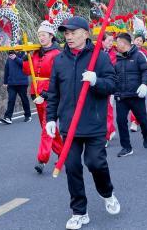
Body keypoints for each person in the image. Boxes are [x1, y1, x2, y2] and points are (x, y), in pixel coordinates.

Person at [46, 16, 120, 229]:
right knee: (72, 167)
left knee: (95, 163)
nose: (68, 37)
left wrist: (96, 80)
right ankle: (79, 211)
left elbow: (112, 85)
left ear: (86, 34)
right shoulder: (60, 60)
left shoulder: (100, 58)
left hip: (94, 123)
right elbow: (53, 92)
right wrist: (51, 118)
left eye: (73, 32)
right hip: (69, 126)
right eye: (66, 33)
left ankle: (107, 193)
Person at [22, 21, 63, 174]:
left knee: (47, 126)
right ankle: (63, 152)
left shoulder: (57, 54)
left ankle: (42, 159)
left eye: (43, 35)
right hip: (36, 93)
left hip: (50, 94)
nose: (41, 37)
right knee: (48, 126)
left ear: (51, 36)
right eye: (39, 35)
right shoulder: (35, 52)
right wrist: (23, 57)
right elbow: (27, 71)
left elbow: (57, 78)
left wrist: (46, 94)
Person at [113, 33, 147, 157]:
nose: (116, 45)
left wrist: (144, 84)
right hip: (121, 96)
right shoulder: (116, 58)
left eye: (118, 42)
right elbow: (112, 75)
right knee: (120, 121)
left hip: (136, 95)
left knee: (143, 120)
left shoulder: (139, 55)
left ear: (124, 43)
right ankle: (126, 147)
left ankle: (146, 135)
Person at [0, 50, 31, 124]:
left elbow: (24, 64)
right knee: (11, 99)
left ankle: (28, 115)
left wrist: (16, 58)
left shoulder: (24, 54)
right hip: (11, 84)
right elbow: (6, 69)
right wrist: (5, 82)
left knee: (24, 99)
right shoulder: (9, 58)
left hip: (22, 83)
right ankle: (8, 117)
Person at [101, 32, 118, 144]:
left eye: (112, 41)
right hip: (96, 84)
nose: (111, 43)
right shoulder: (95, 52)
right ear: (102, 41)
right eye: (109, 41)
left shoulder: (114, 54)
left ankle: (106, 135)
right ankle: (109, 130)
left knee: (108, 109)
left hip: (109, 85)